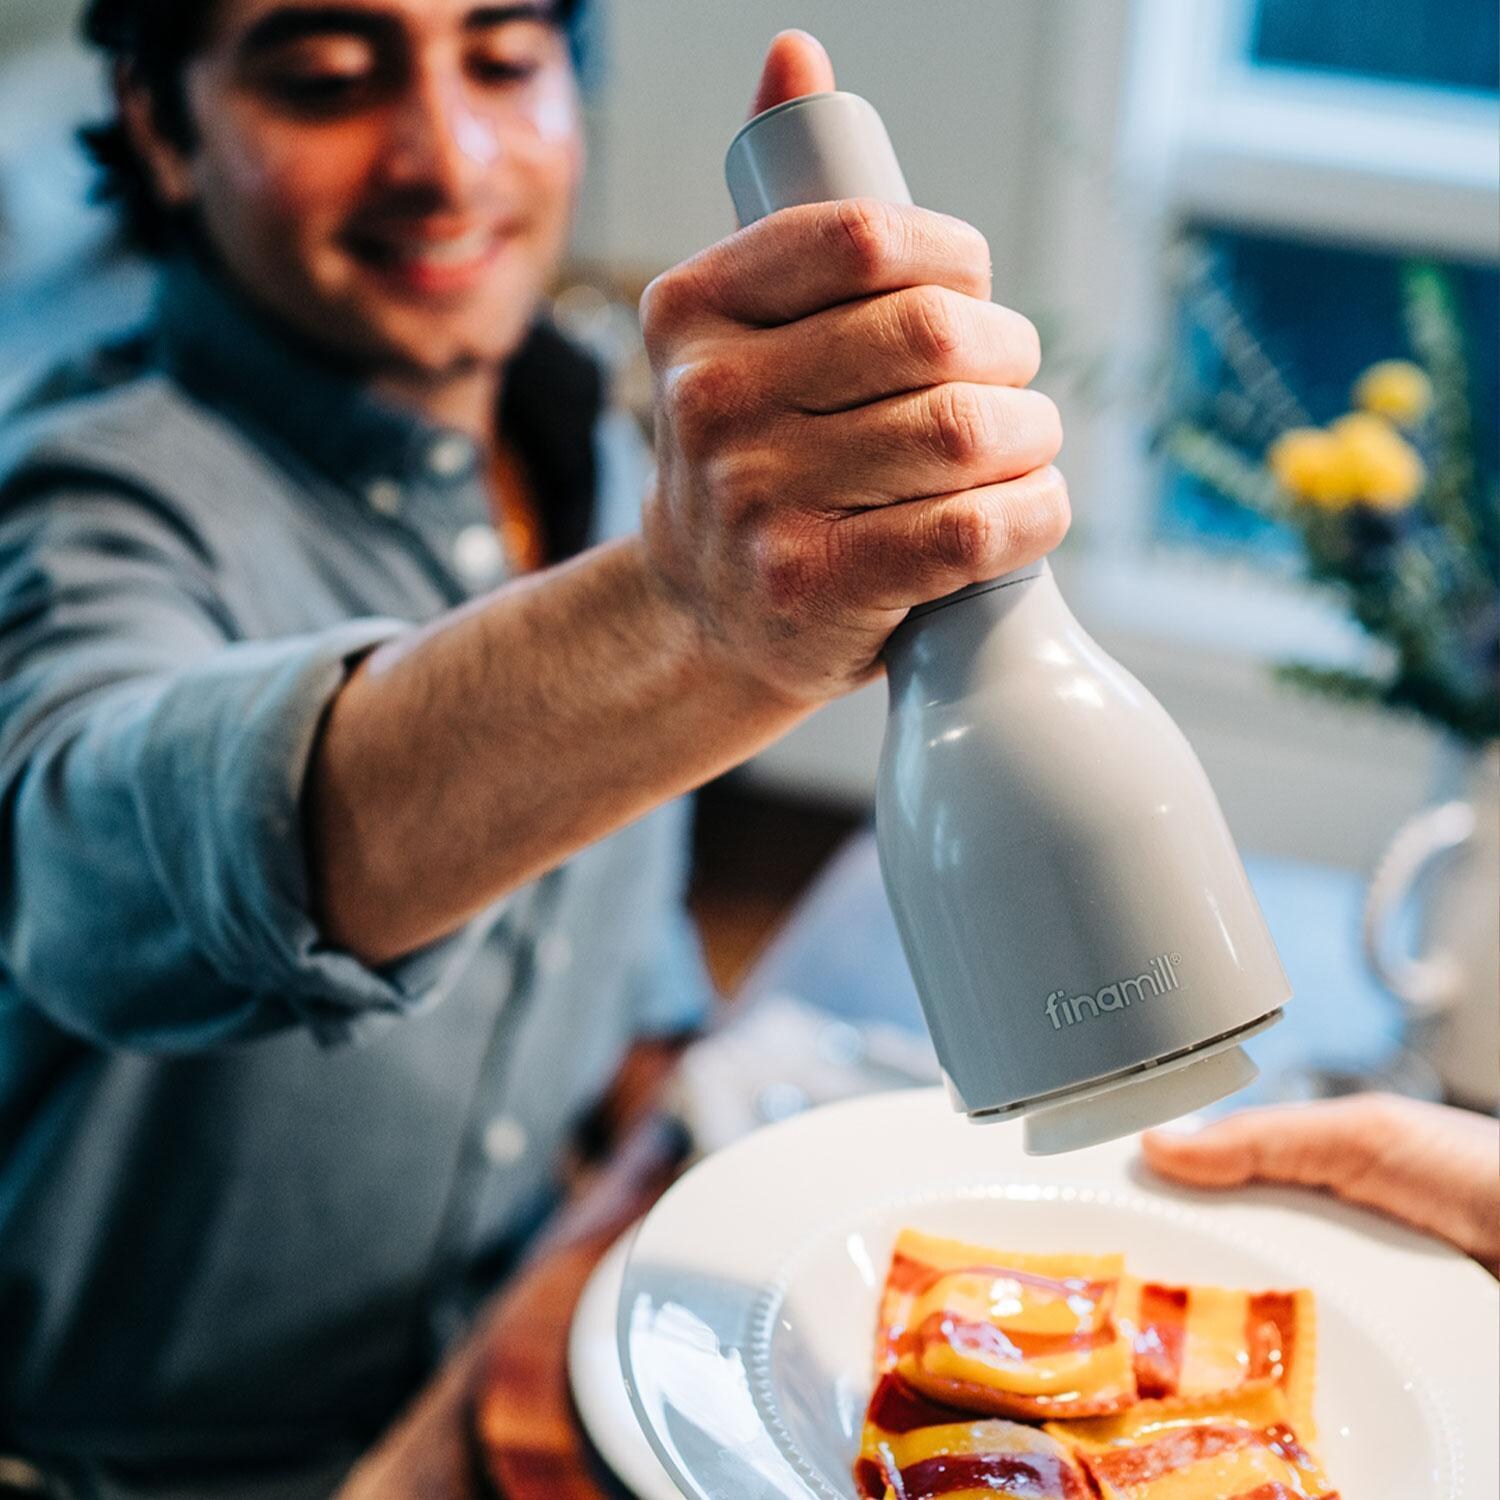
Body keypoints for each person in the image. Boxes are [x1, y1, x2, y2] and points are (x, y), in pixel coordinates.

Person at [0, 8, 1067, 1494]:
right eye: (325, 80)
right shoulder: (74, 503)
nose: (450, 159)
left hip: (520, 1381)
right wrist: (689, 620)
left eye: (503, 61)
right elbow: (94, 860)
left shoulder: (609, 448)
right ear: (163, 124)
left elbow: (621, 969)